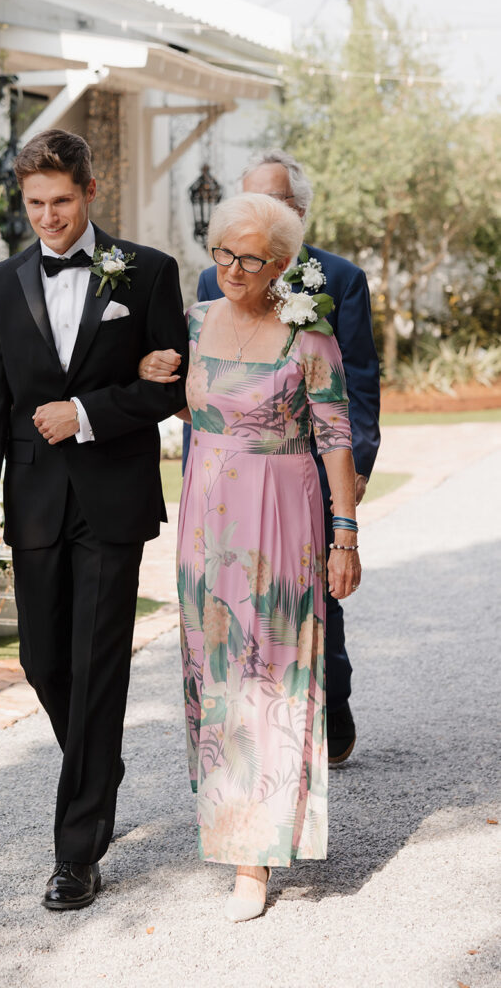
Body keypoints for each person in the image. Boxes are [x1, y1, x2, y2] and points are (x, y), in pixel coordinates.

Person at [0, 128, 188, 911]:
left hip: (113, 501)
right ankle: (100, 769)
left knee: (97, 667)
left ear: (89, 193)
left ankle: (77, 852)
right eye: (34, 205)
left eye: (61, 201)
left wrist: (87, 412)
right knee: (42, 664)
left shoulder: (147, 272)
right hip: (30, 501)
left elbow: (169, 388)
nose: (49, 218)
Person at [141, 192, 360, 920]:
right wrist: (151, 373)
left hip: (282, 513)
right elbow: (190, 407)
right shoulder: (196, 324)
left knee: (271, 670)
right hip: (208, 515)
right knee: (216, 673)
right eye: (225, 253)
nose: (234, 268)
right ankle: (232, 827)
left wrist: (346, 534)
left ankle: (256, 854)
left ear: (283, 264)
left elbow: (334, 438)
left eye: (252, 258)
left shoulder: (310, 335)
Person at [184, 149, 380, 764]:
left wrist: (353, 482)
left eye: (268, 204)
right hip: (216, 493)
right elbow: (192, 387)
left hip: (299, 475)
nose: (253, 215)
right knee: (220, 636)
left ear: (294, 215)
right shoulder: (205, 297)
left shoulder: (337, 280)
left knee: (304, 615)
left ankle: (324, 713)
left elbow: (354, 394)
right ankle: (240, 767)